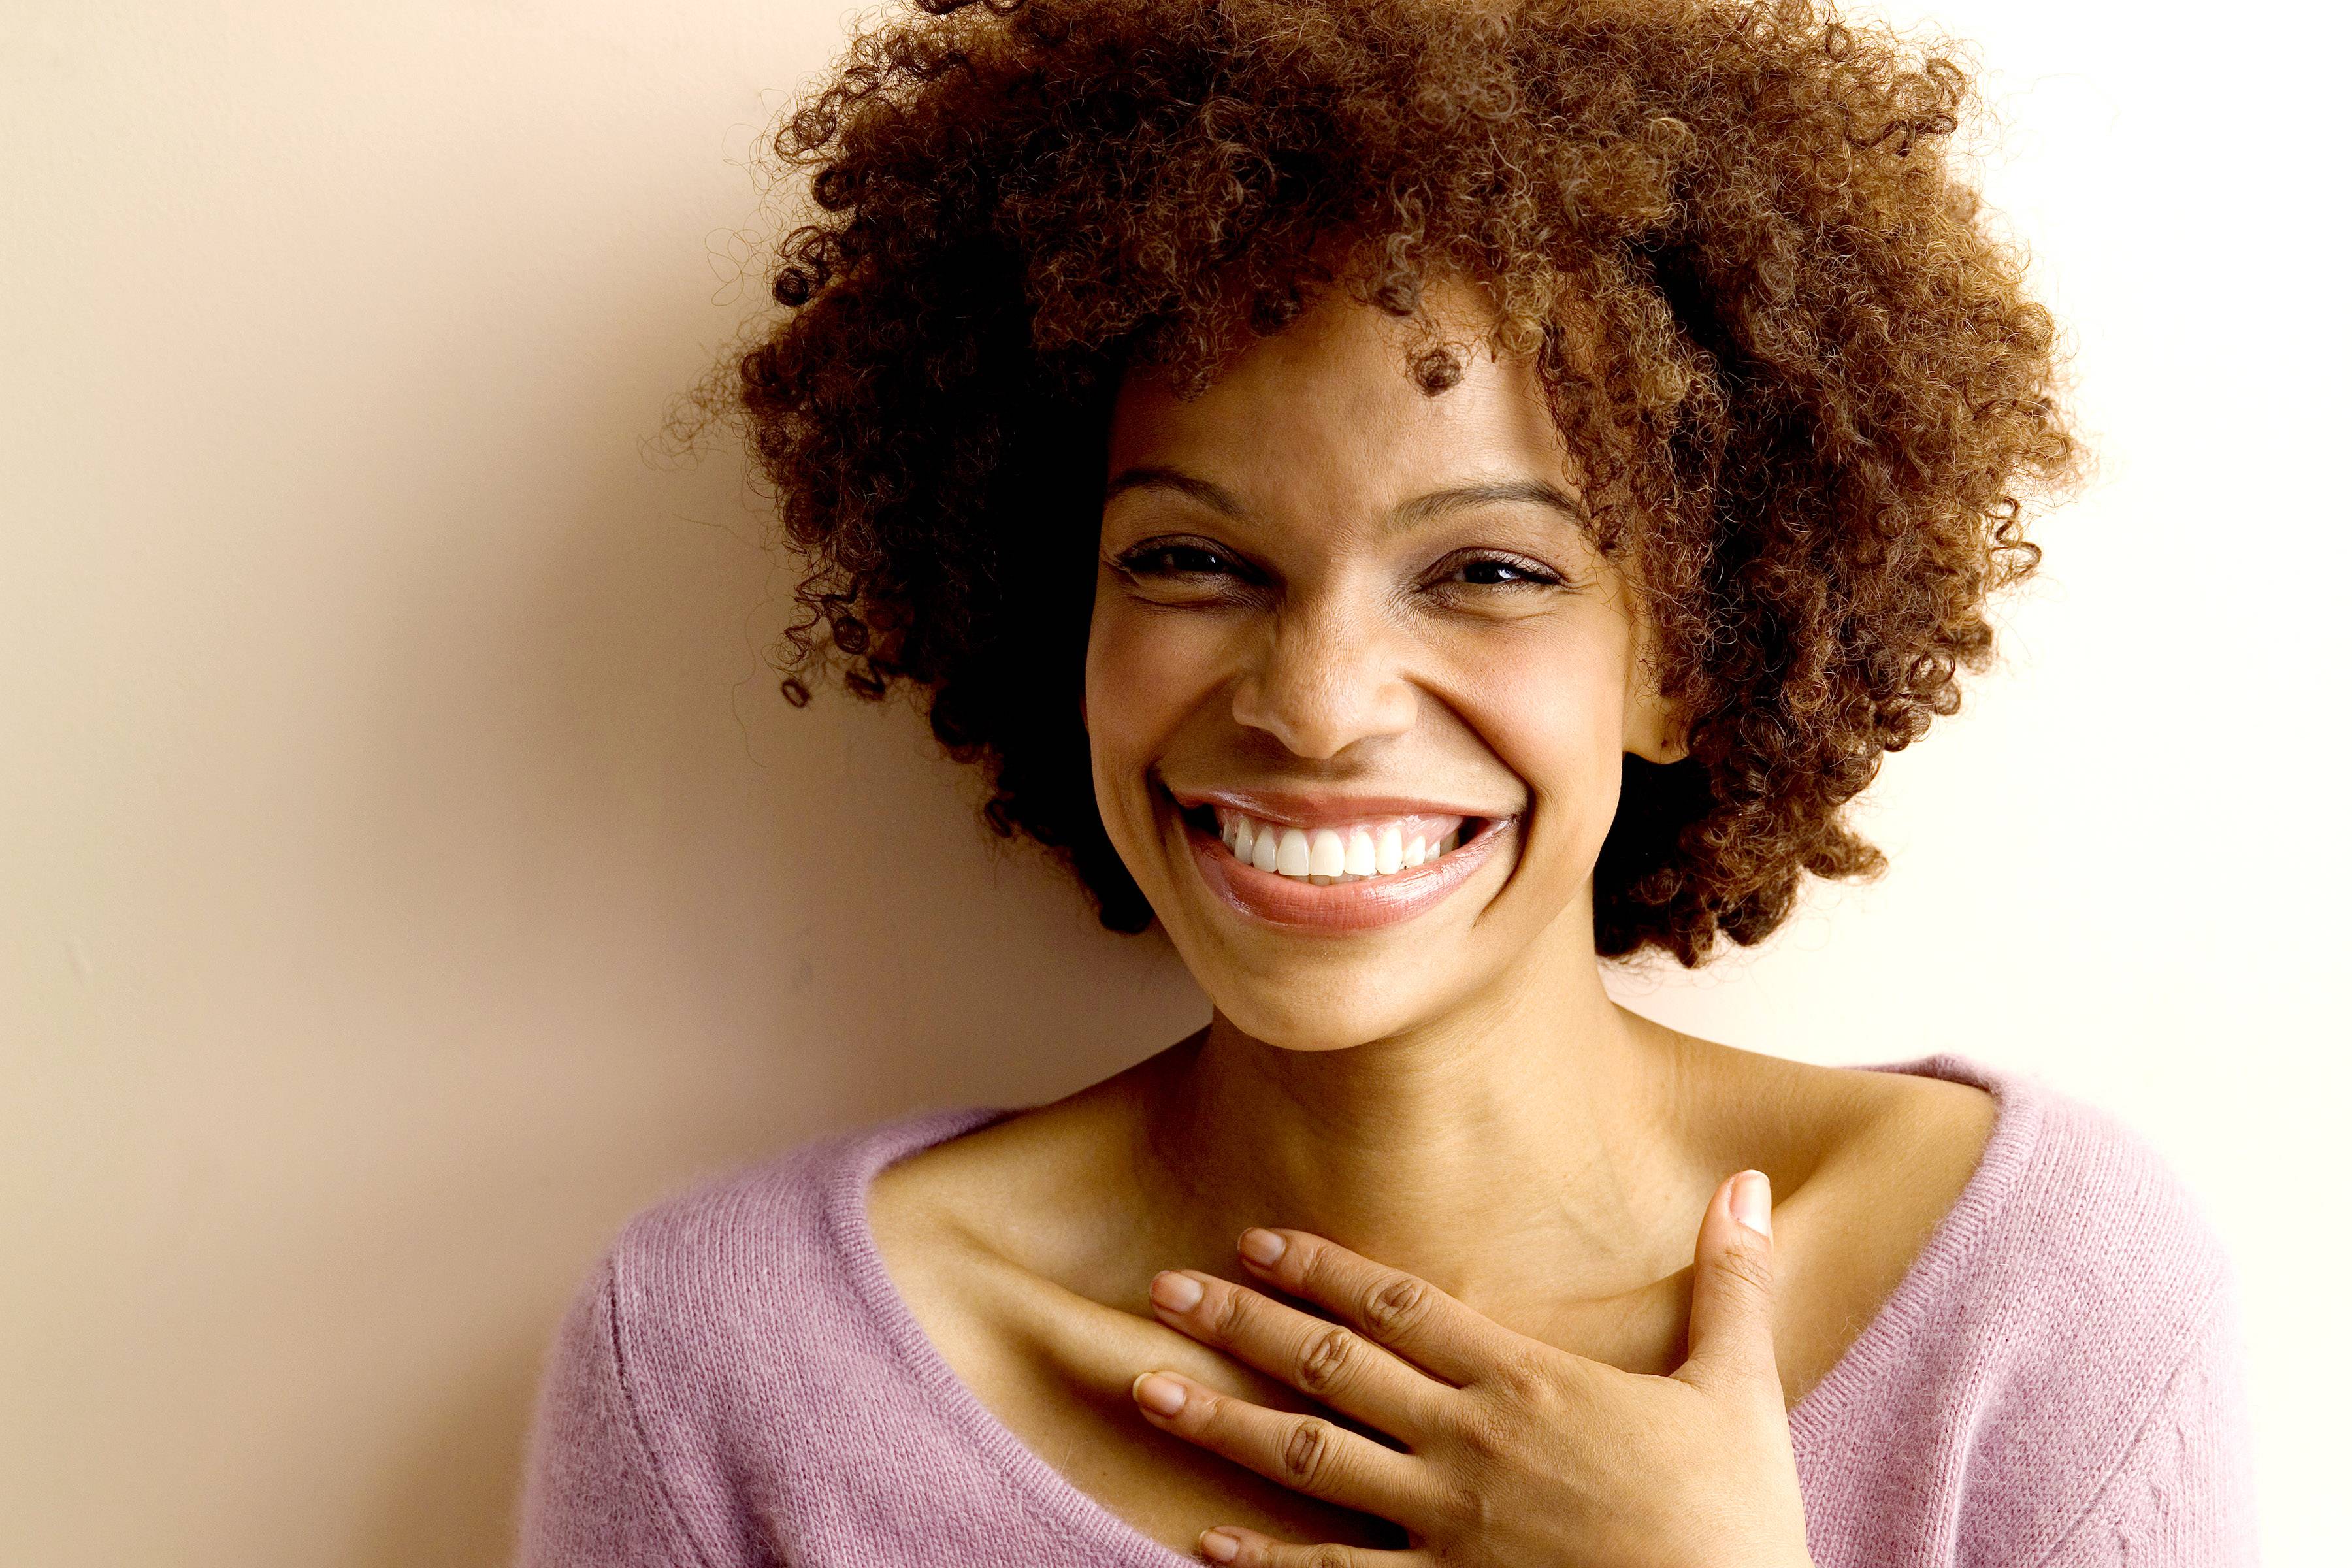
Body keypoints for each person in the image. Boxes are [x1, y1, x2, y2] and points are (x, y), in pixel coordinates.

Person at [515, 2, 2255, 1563]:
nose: (1322, 706)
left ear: (1688, 656)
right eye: (1194, 561)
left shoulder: (2033, 1302)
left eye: (1490, 571)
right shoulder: (726, 1372)